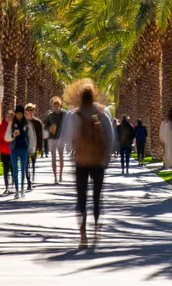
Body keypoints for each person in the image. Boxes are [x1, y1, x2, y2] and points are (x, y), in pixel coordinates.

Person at [61, 79, 116, 249]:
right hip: (98, 162)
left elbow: (67, 139)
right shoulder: (103, 112)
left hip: (81, 162)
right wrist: (106, 158)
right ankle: (96, 232)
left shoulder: (73, 115)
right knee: (97, 198)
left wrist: (73, 154)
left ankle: (83, 235)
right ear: (93, 96)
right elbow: (111, 138)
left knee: (81, 199)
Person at [4, 104, 36, 198]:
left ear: (23, 114)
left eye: (20, 114)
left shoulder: (27, 124)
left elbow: (32, 137)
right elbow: (6, 137)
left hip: (24, 148)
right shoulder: (12, 124)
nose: (19, 115)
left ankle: (22, 189)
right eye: (17, 113)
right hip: (14, 149)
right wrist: (13, 135)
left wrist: (31, 149)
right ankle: (17, 191)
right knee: (15, 170)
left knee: (23, 169)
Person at [44, 97, 67, 183]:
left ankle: (60, 176)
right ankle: (55, 177)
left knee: (61, 157)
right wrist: (50, 128)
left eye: (57, 104)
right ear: (52, 105)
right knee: (53, 156)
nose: (56, 106)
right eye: (54, 104)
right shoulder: (50, 115)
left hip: (61, 138)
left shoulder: (64, 113)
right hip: (52, 138)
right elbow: (45, 126)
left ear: (60, 104)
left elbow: (68, 125)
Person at [25, 103, 44, 189]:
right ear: (26, 111)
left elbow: (40, 136)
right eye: (29, 110)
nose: (30, 112)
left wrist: (40, 147)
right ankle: (28, 180)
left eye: (32, 110)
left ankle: (32, 177)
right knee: (26, 164)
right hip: (25, 145)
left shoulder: (38, 122)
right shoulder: (23, 122)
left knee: (33, 162)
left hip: (34, 145)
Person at [0, 115, 13, 195]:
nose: (9, 118)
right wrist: (1, 146)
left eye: (10, 117)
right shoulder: (0, 126)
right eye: (7, 117)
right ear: (5, 117)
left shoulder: (14, 126)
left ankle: (13, 184)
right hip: (4, 151)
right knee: (5, 169)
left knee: (13, 168)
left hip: (13, 151)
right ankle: (7, 186)